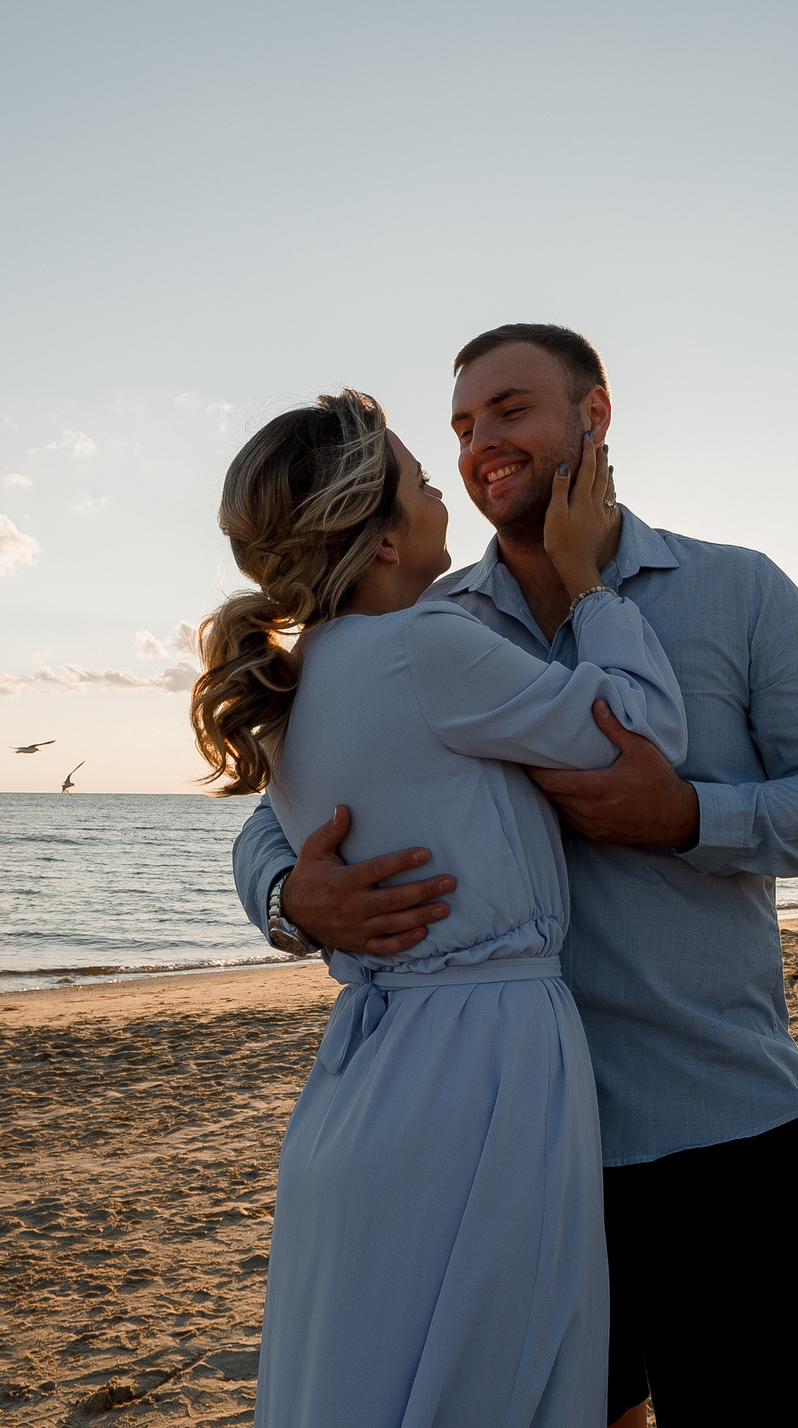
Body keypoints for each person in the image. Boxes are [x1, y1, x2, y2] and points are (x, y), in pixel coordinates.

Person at [234, 325, 798, 1428]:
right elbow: (281, 804)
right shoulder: (423, 620)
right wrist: (285, 900)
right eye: (458, 428)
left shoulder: (735, 592)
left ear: (592, 418)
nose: (479, 445)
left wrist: (692, 814)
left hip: (713, 1127)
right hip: (506, 1149)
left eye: (510, 410)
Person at [191, 388, 686, 1428]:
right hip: (482, 1066)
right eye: (419, 481)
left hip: (373, 1073)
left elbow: (280, 833)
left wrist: (285, 897)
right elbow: (639, 736)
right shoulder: (424, 649)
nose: (438, 492)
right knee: (498, 1372)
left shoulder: (301, 677)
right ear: (376, 538)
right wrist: (592, 579)